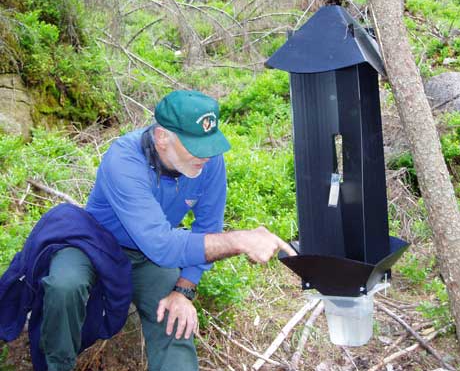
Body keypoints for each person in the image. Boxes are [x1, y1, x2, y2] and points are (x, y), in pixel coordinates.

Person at [40, 90, 296, 371]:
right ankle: (58, 365)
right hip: (95, 244)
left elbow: (207, 226)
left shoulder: (207, 162)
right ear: (162, 138)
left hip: (149, 259)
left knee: (175, 320)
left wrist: (184, 290)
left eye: (210, 145)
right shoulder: (124, 161)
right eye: (196, 147)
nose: (207, 157)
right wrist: (238, 239)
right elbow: (161, 243)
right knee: (65, 285)